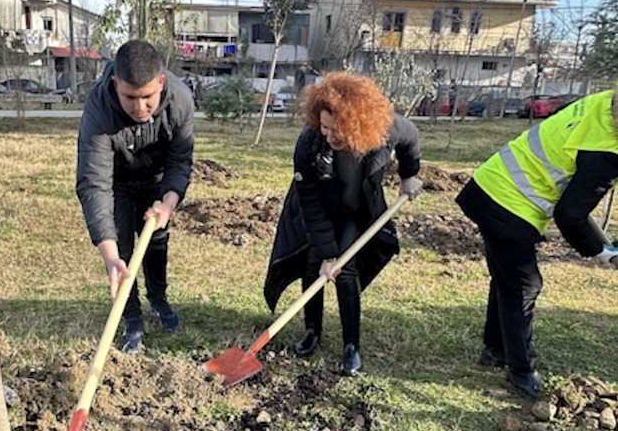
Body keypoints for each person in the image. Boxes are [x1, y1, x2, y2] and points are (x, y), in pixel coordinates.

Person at [456, 89, 618, 399]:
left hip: (492, 183)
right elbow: (570, 216)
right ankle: (521, 371)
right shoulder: (607, 153)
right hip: (508, 201)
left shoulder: (604, 101)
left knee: (508, 277)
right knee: (524, 284)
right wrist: (602, 254)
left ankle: (496, 348)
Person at [263, 71, 423, 377]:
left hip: (356, 210)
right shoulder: (309, 143)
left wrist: (408, 175)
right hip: (318, 207)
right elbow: (310, 201)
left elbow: (411, 137)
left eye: (337, 130)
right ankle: (312, 331)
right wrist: (325, 253)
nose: (328, 135)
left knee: (345, 269)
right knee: (313, 263)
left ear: (359, 126)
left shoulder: (385, 128)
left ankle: (351, 346)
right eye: (324, 126)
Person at [75, 39, 196, 352]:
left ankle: (159, 299)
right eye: (130, 97)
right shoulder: (99, 108)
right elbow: (94, 182)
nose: (140, 108)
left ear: (161, 83)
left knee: (157, 241)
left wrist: (169, 202)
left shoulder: (181, 100)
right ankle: (131, 319)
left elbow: (180, 159)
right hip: (117, 182)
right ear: (115, 84)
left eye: (147, 97)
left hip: (157, 181)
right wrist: (110, 255)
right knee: (124, 252)